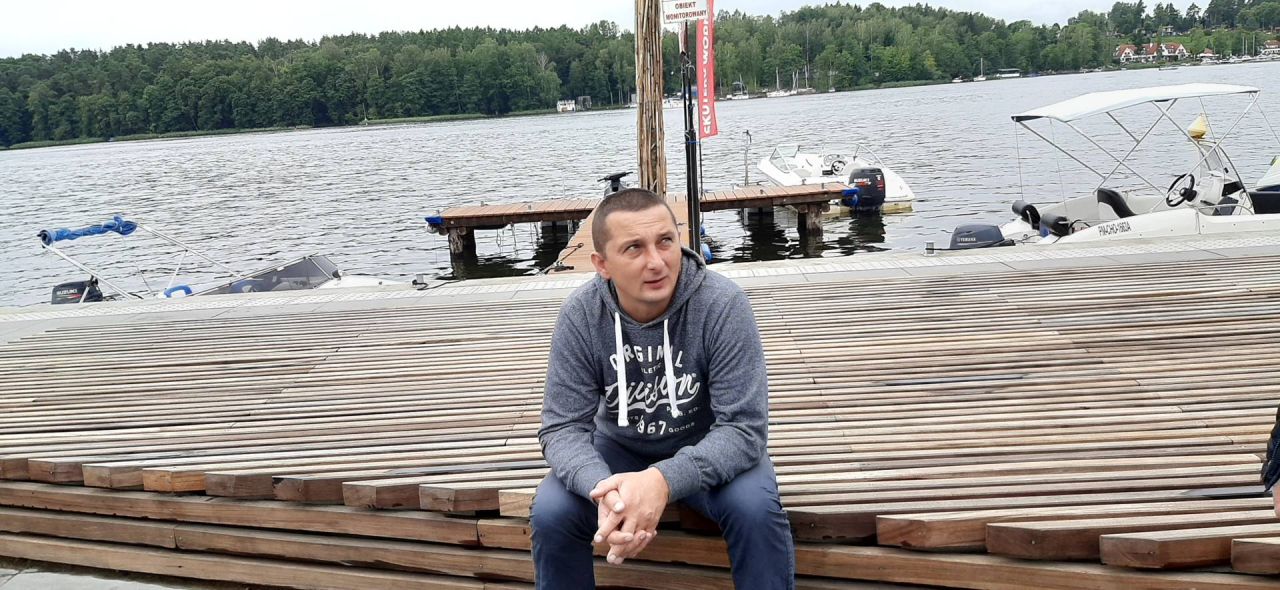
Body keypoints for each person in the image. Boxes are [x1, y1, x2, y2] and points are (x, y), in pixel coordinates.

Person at [531, 188, 795, 589]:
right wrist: (607, 495)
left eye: (665, 241)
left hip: (708, 443)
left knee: (756, 510)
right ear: (602, 264)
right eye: (634, 248)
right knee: (552, 512)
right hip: (619, 448)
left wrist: (662, 480)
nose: (656, 262)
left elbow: (744, 429)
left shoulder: (722, 305)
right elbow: (562, 427)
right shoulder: (581, 315)